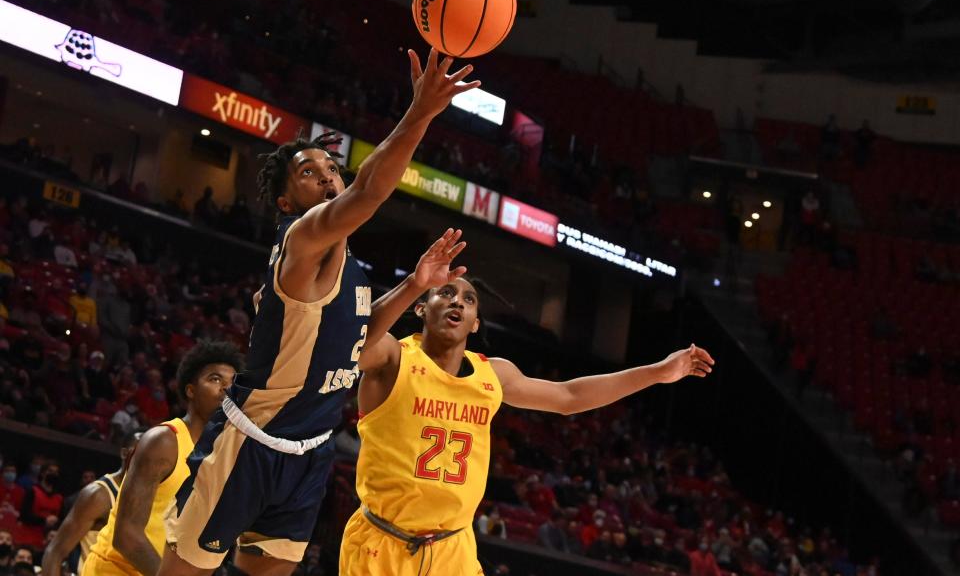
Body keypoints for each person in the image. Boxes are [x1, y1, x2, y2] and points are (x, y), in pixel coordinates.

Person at [160, 44, 480, 576]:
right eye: (311, 173)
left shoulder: (348, 262)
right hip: (250, 446)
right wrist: (421, 111)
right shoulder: (302, 238)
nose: (329, 178)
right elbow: (372, 188)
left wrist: (413, 288)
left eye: (331, 168)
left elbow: (355, 338)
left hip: (309, 453)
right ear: (285, 202)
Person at [339, 276, 715, 575]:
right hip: (382, 544)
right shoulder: (392, 357)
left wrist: (659, 373)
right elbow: (350, 343)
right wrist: (416, 282)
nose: (458, 302)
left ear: (475, 324)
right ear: (421, 308)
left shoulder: (493, 375)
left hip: (452, 550)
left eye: (468, 300)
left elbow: (569, 397)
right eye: (445, 293)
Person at [81, 341, 243, 576]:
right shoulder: (164, 441)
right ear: (190, 390)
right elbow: (126, 535)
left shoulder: (224, 455)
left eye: (232, 383)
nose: (226, 389)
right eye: (215, 379)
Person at [42, 431, 142, 576]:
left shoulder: (158, 499)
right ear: (124, 453)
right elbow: (55, 552)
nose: (145, 457)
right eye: (139, 450)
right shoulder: (99, 495)